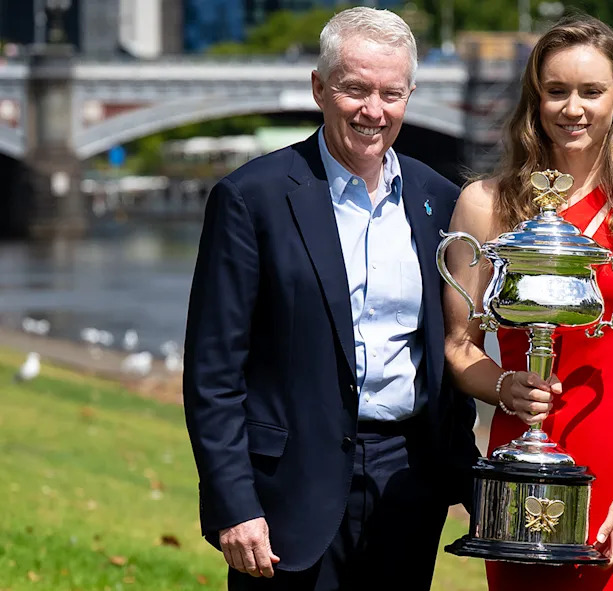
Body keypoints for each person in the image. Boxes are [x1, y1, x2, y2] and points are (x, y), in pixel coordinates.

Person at [182, 7, 478, 590]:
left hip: (407, 483)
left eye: (391, 93)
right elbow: (213, 373)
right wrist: (233, 502)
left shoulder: (441, 200)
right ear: (319, 88)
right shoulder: (251, 198)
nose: (374, 110)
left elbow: (451, 343)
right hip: (286, 492)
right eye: (355, 89)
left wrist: (461, 469)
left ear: (410, 95)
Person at [442, 16, 613, 590]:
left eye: (591, 91)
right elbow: (460, 347)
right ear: (534, 101)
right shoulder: (484, 204)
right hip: (523, 468)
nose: (573, 108)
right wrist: (501, 386)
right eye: (556, 91)